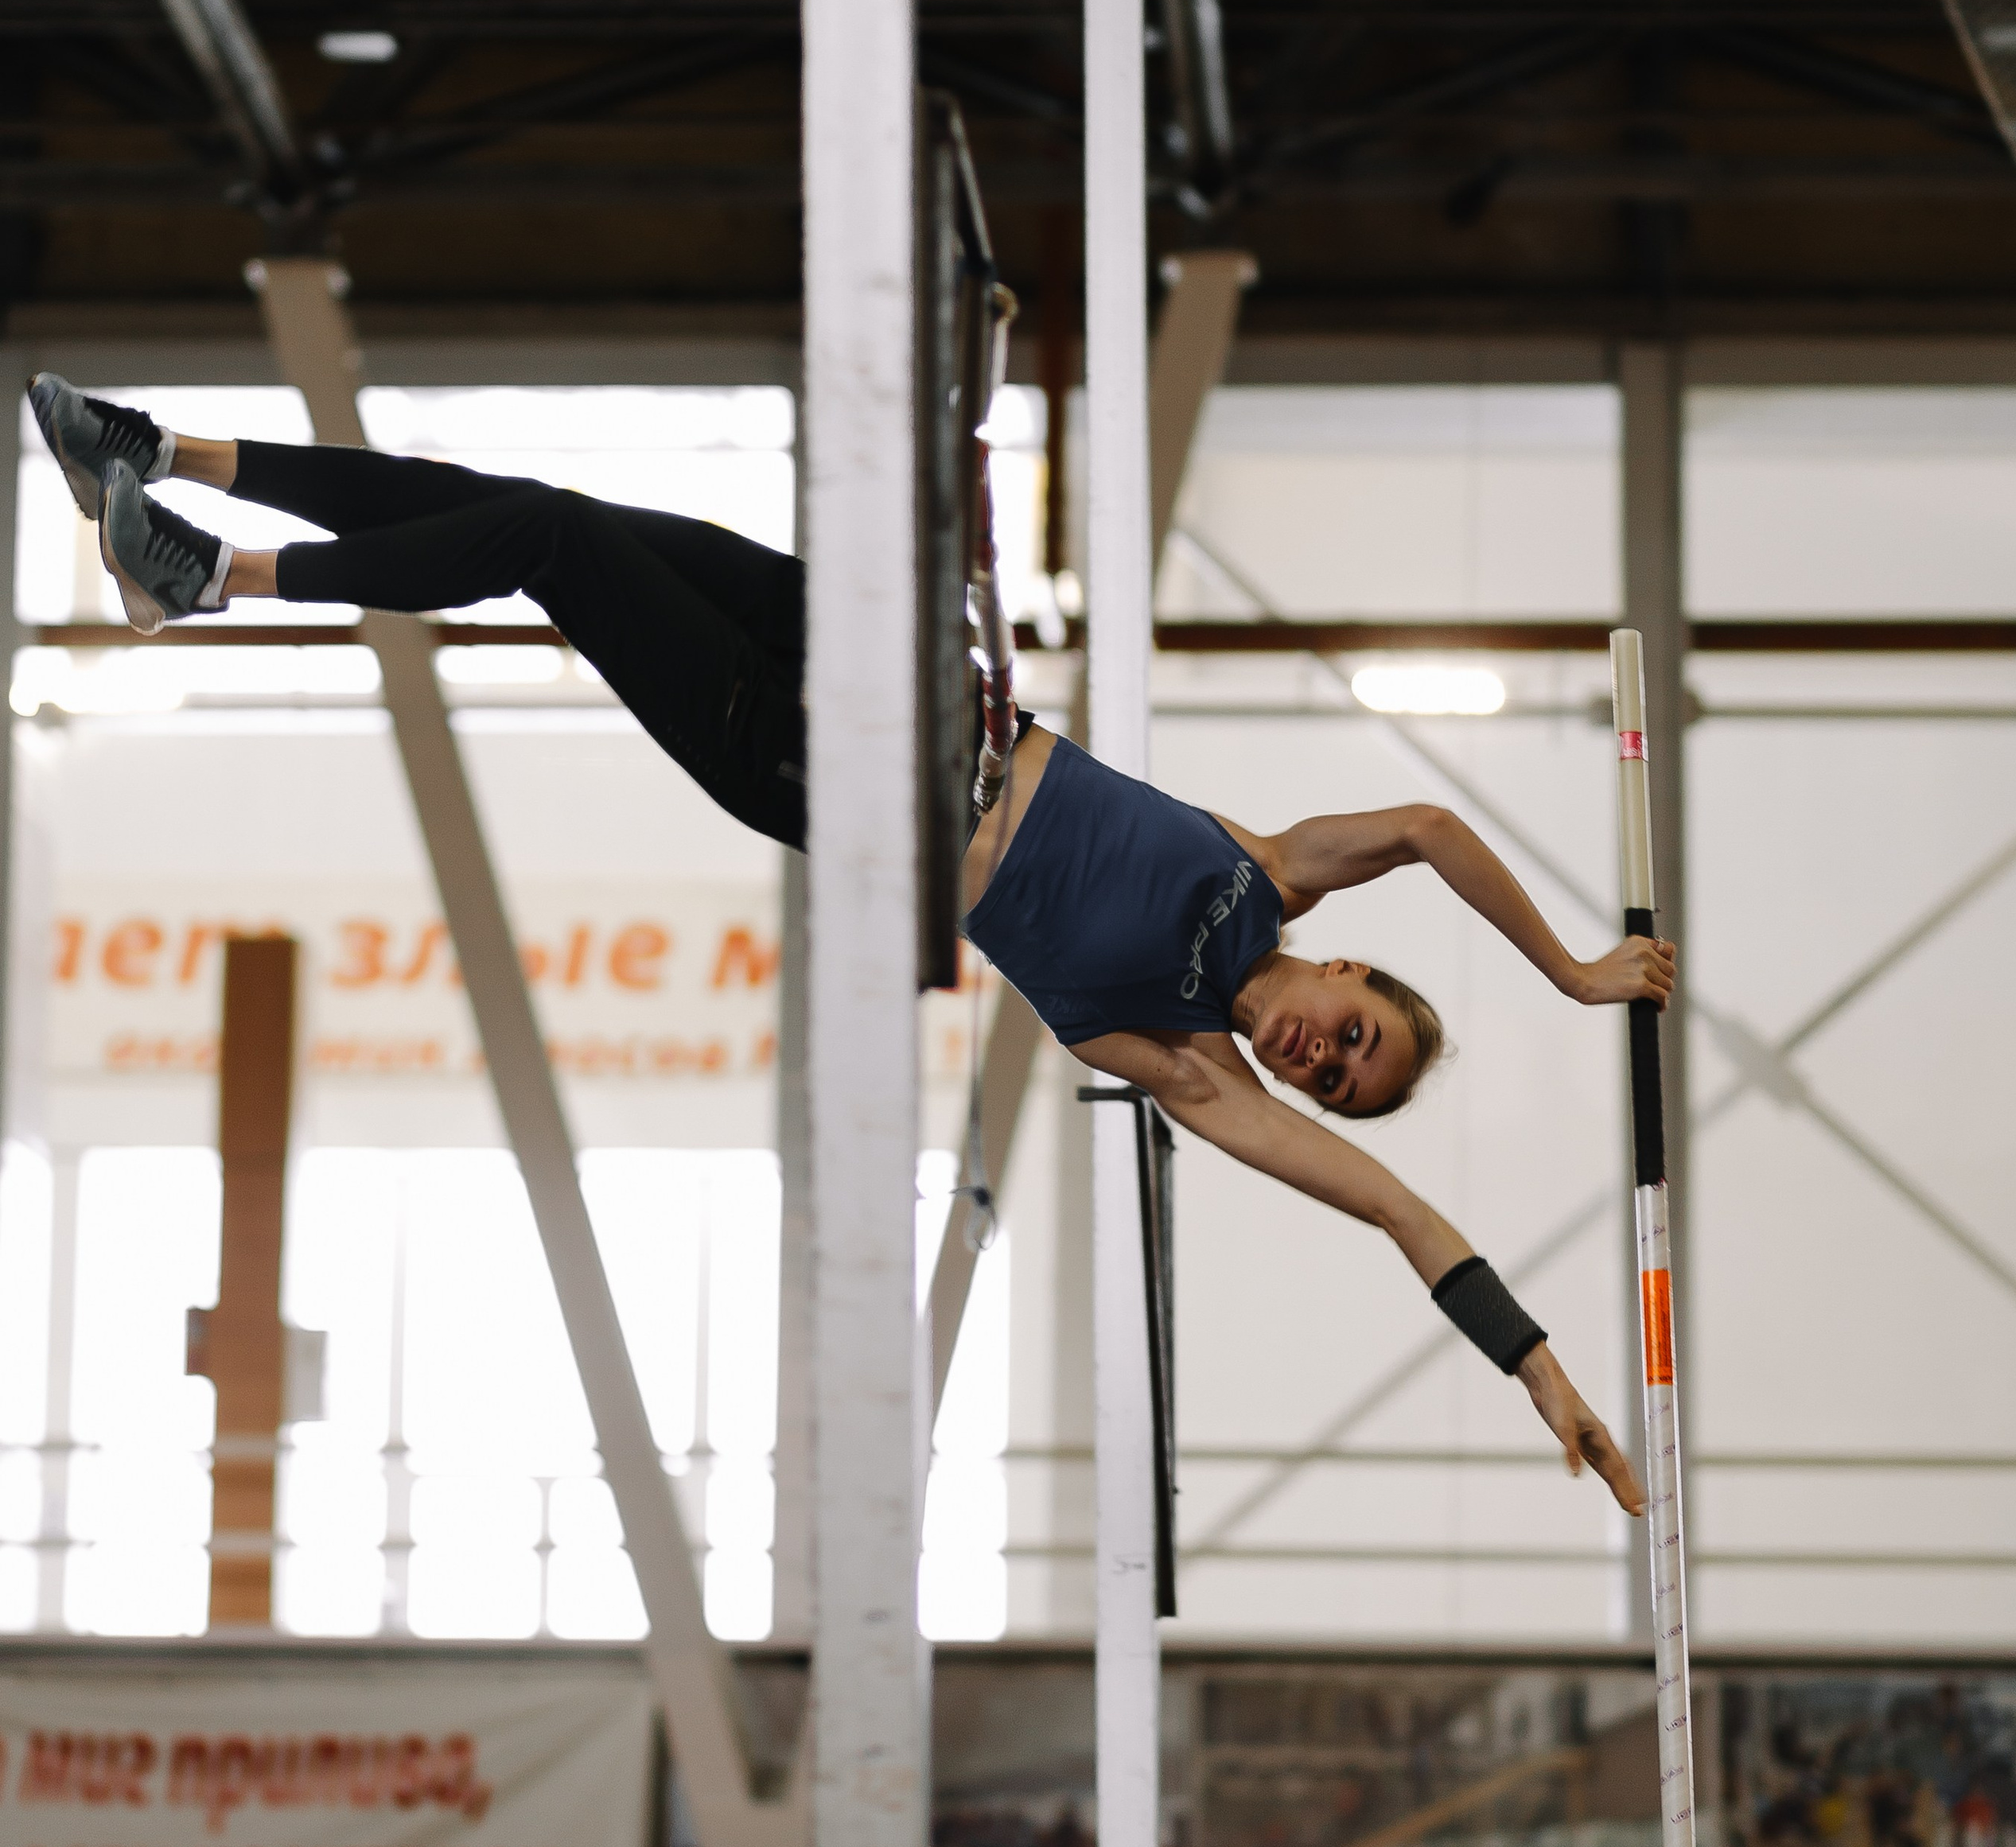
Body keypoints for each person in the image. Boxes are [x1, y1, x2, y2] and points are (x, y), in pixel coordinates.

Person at [35, 376, 1664, 1515]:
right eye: (1354, 1037)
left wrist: (1537, 1374)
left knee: (549, 549)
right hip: (887, 667)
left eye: (1337, 1084)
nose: (1321, 1061)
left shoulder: (1181, 1063)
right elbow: (1437, 834)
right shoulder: (1268, 869)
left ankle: (216, 580)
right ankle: (172, 449)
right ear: (1352, 972)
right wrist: (1575, 972)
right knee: (549, 514)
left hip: (821, 764)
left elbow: (1401, 1216)